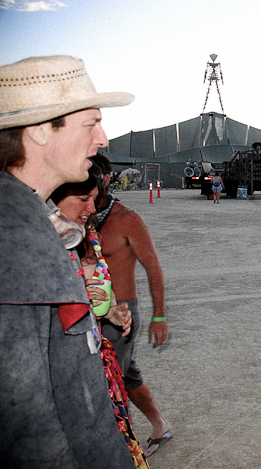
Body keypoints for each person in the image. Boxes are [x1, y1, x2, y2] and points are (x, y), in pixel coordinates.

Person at [0, 55, 134, 467]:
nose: (103, 137)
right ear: (40, 131)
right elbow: (25, 421)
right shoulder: (13, 235)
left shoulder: (35, 220)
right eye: (90, 123)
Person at [50, 173, 149, 468]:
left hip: (98, 367)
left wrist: (108, 311)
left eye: (94, 198)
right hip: (67, 378)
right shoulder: (37, 248)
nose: (92, 208)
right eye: (83, 199)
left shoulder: (87, 234)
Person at [90, 153, 172, 457]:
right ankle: (159, 424)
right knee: (127, 374)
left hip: (119, 316)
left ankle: (118, 451)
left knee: (108, 383)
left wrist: (159, 316)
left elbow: (154, 268)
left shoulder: (127, 220)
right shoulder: (74, 215)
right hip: (86, 313)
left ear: (106, 179)